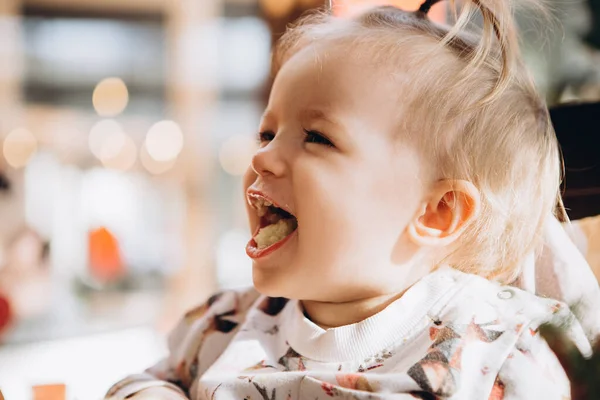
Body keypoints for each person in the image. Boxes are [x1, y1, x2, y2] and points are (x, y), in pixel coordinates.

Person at [105, 0, 598, 398]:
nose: (264, 158)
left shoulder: (501, 349)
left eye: (317, 138)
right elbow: (139, 379)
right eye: (266, 134)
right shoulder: (225, 324)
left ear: (437, 211)